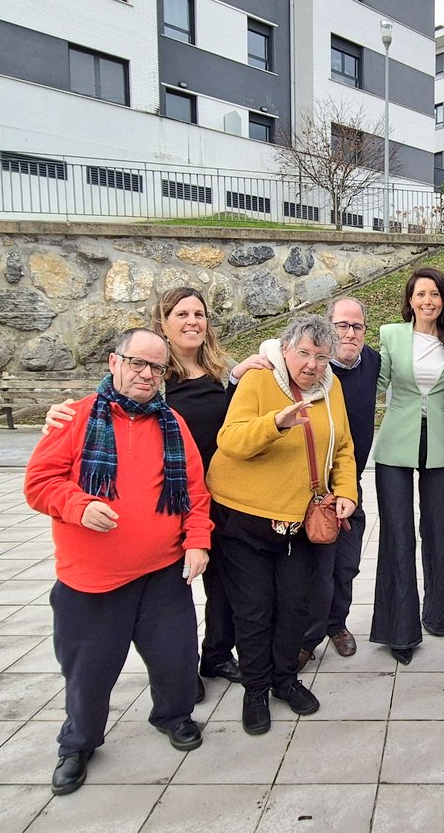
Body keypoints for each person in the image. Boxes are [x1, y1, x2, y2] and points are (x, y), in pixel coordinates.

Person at [43, 287, 272, 693]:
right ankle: (178, 667)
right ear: (163, 323)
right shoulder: (153, 374)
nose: (192, 321)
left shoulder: (223, 371)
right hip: (173, 499)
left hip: (222, 494)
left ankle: (216, 653)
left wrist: (241, 379)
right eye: (181, 313)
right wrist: (58, 414)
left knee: (224, 583)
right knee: (176, 590)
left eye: (199, 314)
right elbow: (103, 401)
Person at [24, 328, 212, 796]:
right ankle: (78, 743)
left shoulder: (173, 424)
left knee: (176, 659)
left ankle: (173, 715)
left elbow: (195, 493)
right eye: (138, 363)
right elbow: (39, 482)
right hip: (91, 581)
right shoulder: (77, 418)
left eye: (156, 367)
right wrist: (78, 505)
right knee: (88, 673)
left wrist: (197, 541)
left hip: (162, 573)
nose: (147, 374)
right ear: (115, 362)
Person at [206, 315, 357, 736]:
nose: (311, 364)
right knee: (255, 611)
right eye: (304, 353)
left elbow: (343, 447)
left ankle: (285, 680)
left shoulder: (332, 390)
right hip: (245, 518)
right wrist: (275, 424)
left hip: (300, 522)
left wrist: (346, 491)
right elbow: (230, 440)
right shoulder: (258, 380)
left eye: (321, 357)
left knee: (294, 608)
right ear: (286, 349)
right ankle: (255, 690)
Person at [370, 268, 444, 664]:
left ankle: (438, 614)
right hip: (395, 446)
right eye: (420, 293)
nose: (428, 300)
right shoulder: (391, 335)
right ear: (409, 300)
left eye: (434, 293)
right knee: (398, 535)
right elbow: (376, 383)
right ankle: (399, 631)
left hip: (441, 446)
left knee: (440, 530)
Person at [298, 297, 381, 667]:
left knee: (346, 563)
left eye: (357, 326)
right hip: (312, 487)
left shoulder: (373, 363)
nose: (349, 333)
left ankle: (337, 625)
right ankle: (305, 637)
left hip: (351, 483)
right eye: (341, 326)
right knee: (317, 566)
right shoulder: (312, 369)